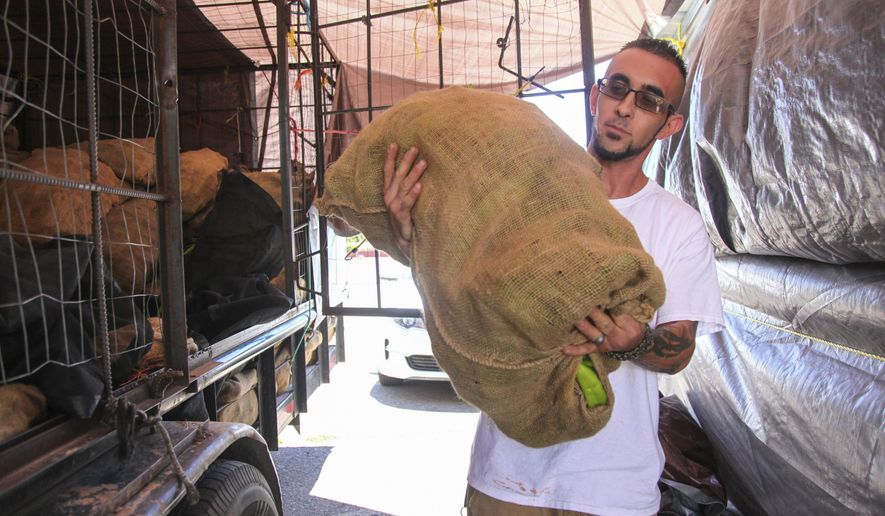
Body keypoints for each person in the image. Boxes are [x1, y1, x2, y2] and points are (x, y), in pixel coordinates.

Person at [383, 38, 724, 516]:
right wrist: (408, 234)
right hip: (506, 479)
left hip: (612, 492)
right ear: (594, 96)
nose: (625, 108)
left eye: (647, 100)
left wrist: (630, 341)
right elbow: (461, 289)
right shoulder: (522, 189)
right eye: (617, 88)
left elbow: (679, 351)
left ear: (669, 124)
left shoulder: (678, 225)